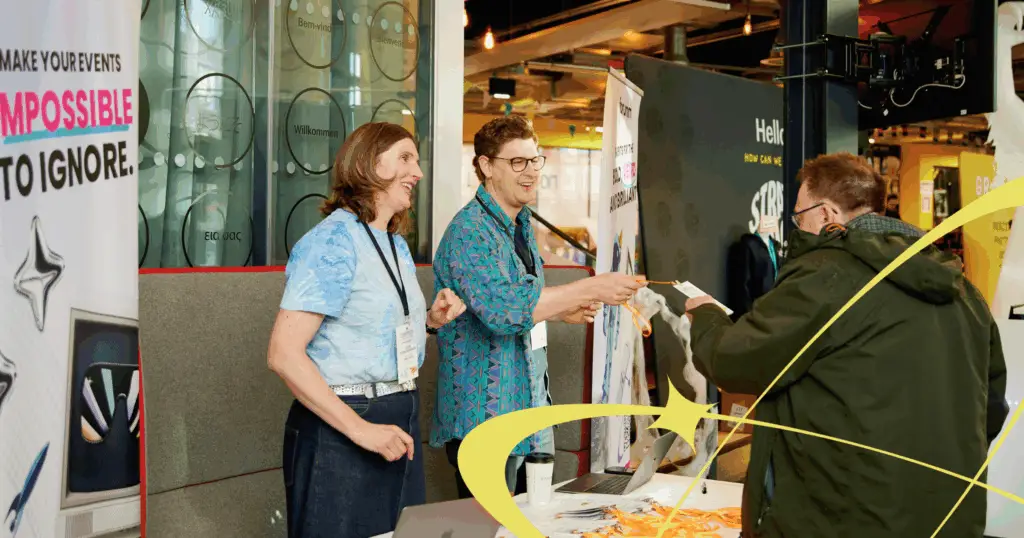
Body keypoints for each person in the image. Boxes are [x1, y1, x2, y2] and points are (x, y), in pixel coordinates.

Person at [684, 152, 1008, 538]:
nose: (798, 227)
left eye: (800, 216)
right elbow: (989, 411)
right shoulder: (966, 294)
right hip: (946, 519)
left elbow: (732, 361)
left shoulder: (824, 278)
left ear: (826, 215)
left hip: (837, 519)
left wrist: (706, 315)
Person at [267, 122, 467, 538]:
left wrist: (429, 322)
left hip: (398, 418)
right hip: (345, 427)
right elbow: (284, 354)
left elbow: (368, 327)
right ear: (370, 164)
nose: (418, 172)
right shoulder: (332, 243)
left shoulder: (392, 243)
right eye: (405, 158)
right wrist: (362, 430)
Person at [430, 115, 646, 498]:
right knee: (491, 528)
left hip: (527, 409)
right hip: (486, 418)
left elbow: (519, 297)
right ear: (485, 166)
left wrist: (560, 310)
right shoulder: (469, 232)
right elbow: (505, 310)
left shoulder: (521, 223)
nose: (530, 172)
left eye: (535, 160)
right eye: (517, 162)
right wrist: (591, 287)